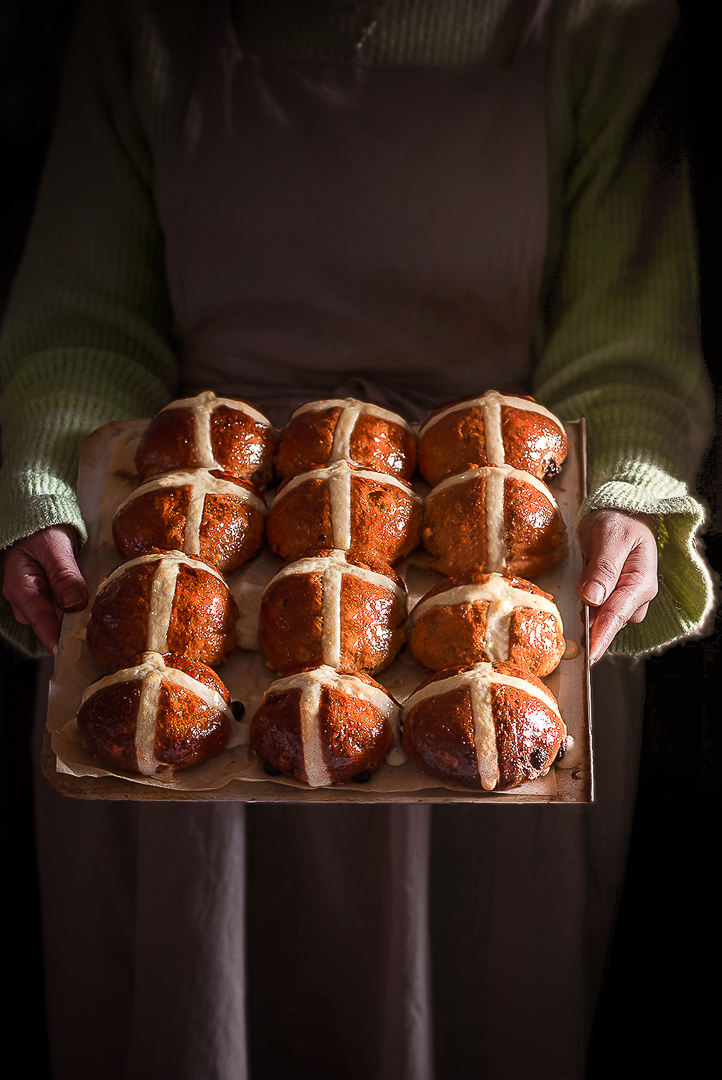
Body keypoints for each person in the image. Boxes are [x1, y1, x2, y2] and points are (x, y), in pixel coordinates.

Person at [0, 1, 715, 1078]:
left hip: (500, 592)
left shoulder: (599, 20)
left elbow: (622, 337)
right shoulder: (145, 20)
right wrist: (49, 493)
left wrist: (619, 484)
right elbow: (83, 325)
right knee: (200, 1005)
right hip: (194, 588)